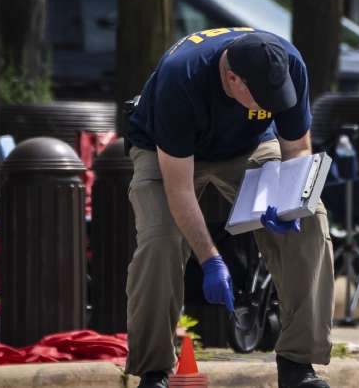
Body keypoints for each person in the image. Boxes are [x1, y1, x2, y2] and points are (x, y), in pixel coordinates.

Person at [124, 27, 334, 388]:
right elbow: (179, 188)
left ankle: (298, 366)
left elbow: (297, 147)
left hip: (248, 146)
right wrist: (211, 260)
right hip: (167, 151)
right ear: (232, 78)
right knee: (160, 239)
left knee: (312, 220)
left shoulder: (289, 62)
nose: (271, 105)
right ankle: (153, 370)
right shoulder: (181, 78)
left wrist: (290, 200)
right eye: (263, 98)